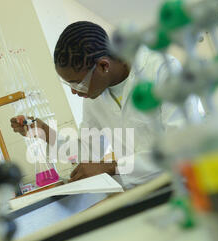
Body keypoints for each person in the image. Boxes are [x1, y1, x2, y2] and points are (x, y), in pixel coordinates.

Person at [10, 21, 201, 189]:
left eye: (78, 83)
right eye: (69, 84)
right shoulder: (96, 96)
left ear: (103, 66)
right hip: (142, 193)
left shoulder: (162, 70)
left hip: (189, 186)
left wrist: (111, 167)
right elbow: (87, 150)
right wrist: (44, 131)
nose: (75, 92)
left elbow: (183, 148)